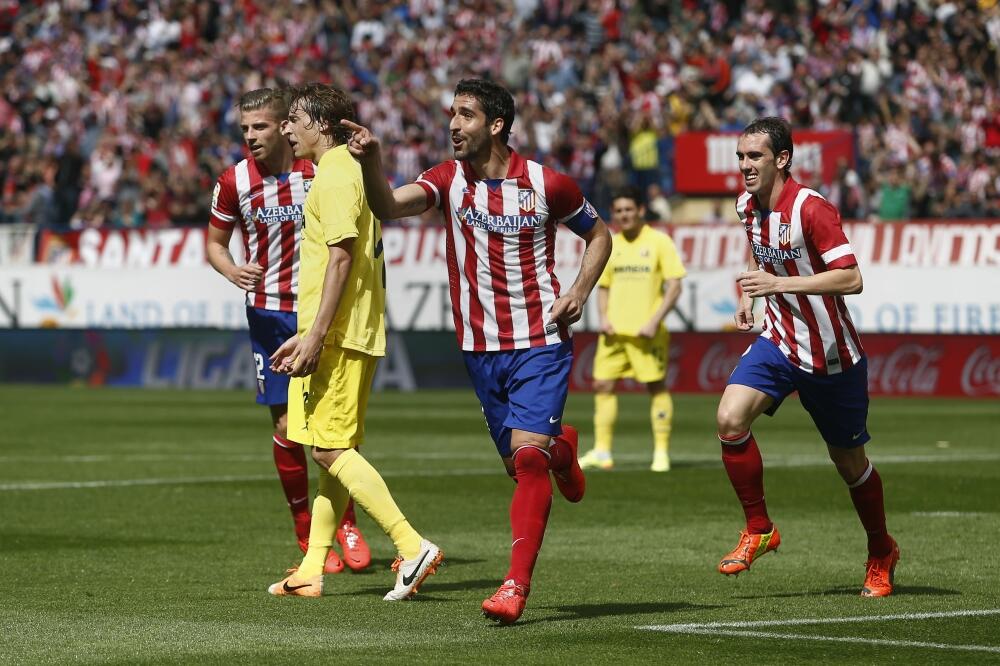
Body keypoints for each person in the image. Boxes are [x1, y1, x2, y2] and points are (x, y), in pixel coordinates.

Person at [342, 78, 612, 624]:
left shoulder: (546, 184)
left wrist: (578, 291)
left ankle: (515, 587)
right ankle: (564, 449)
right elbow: (390, 206)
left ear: (496, 125)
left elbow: (599, 234)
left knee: (527, 458)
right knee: (524, 463)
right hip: (479, 347)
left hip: (540, 339)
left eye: (465, 114)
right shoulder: (448, 180)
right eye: (451, 114)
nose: (453, 124)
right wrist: (372, 160)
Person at [266, 83, 442, 600]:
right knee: (331, 449)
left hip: (339, 334)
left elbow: (341, 257)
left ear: (322, 124)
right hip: (340, 330)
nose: (286, 128)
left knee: (329, 449)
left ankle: (411, 545)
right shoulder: (342, 171)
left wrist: (315, 336)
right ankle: (312, 567)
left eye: (294, 118)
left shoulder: (338, 174)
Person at [717, 117, 898, 596]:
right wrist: (749, 294)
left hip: (831, 356)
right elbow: (758, 250)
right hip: (778, 340)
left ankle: (881, 550)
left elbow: (851, 278)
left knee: (849, 462)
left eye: (754, 156)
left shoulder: (812, 209)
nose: (744, 165)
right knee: (730, 419)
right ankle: (759, 528)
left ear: (781, 159)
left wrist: (779, 284)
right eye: (740, 156)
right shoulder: (745, 206)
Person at [206, 88, 370, 575]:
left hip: (317, 313)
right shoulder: (234, 180)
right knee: (285, 427)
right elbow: (215, 244)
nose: (250, 137)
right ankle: (304, 527)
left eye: (259, 127)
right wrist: (232, 269)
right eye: (245, 129)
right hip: (268, 315)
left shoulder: (317, 168)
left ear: (284, 126)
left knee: (334, 426)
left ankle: (347, 521)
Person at [578, 187, 685, 473]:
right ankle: (602, 451)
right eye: (619, 211)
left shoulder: (659, 241)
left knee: (655, 386)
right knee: (602, 385)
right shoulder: (610, 243)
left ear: (640, 210)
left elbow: (675, 285)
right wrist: (603, 318)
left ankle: (661, 453)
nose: (624, 215)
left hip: (646, 333)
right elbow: (604, 286)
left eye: (629, 209)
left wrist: (654, 320)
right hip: (614, 334)